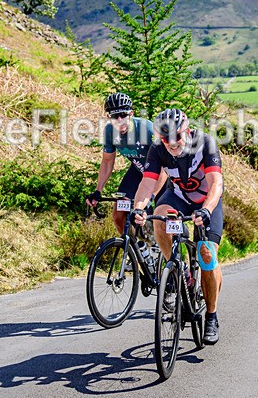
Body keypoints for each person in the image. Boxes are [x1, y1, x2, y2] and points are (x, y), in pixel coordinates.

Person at [132, 108, 224, 345]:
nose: (172, 144)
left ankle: (211, 316)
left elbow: (216, 184)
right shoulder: (158, 149)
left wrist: (206, 209)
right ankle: (178, 268)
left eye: (177, 137)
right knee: (159, 217)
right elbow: (147, 183)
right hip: (179, 198)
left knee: (206, 255)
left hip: (206, 201)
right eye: (166, 139)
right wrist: (139, 208)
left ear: (187, 130)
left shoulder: (205, 143)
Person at [85, 92, 167, 234]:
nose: (119, 120)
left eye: (123, 115)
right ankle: (137, 250)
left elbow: (164, 168)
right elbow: (107, 161)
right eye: (114, 116)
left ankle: (163, 248)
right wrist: (98, 190)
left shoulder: (147, 129)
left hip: (161, 175)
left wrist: (150, 197)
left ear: (131, 113)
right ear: (108, 117)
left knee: (160, 220)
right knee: (118, 215)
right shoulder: (110, 131)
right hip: (137, 172)